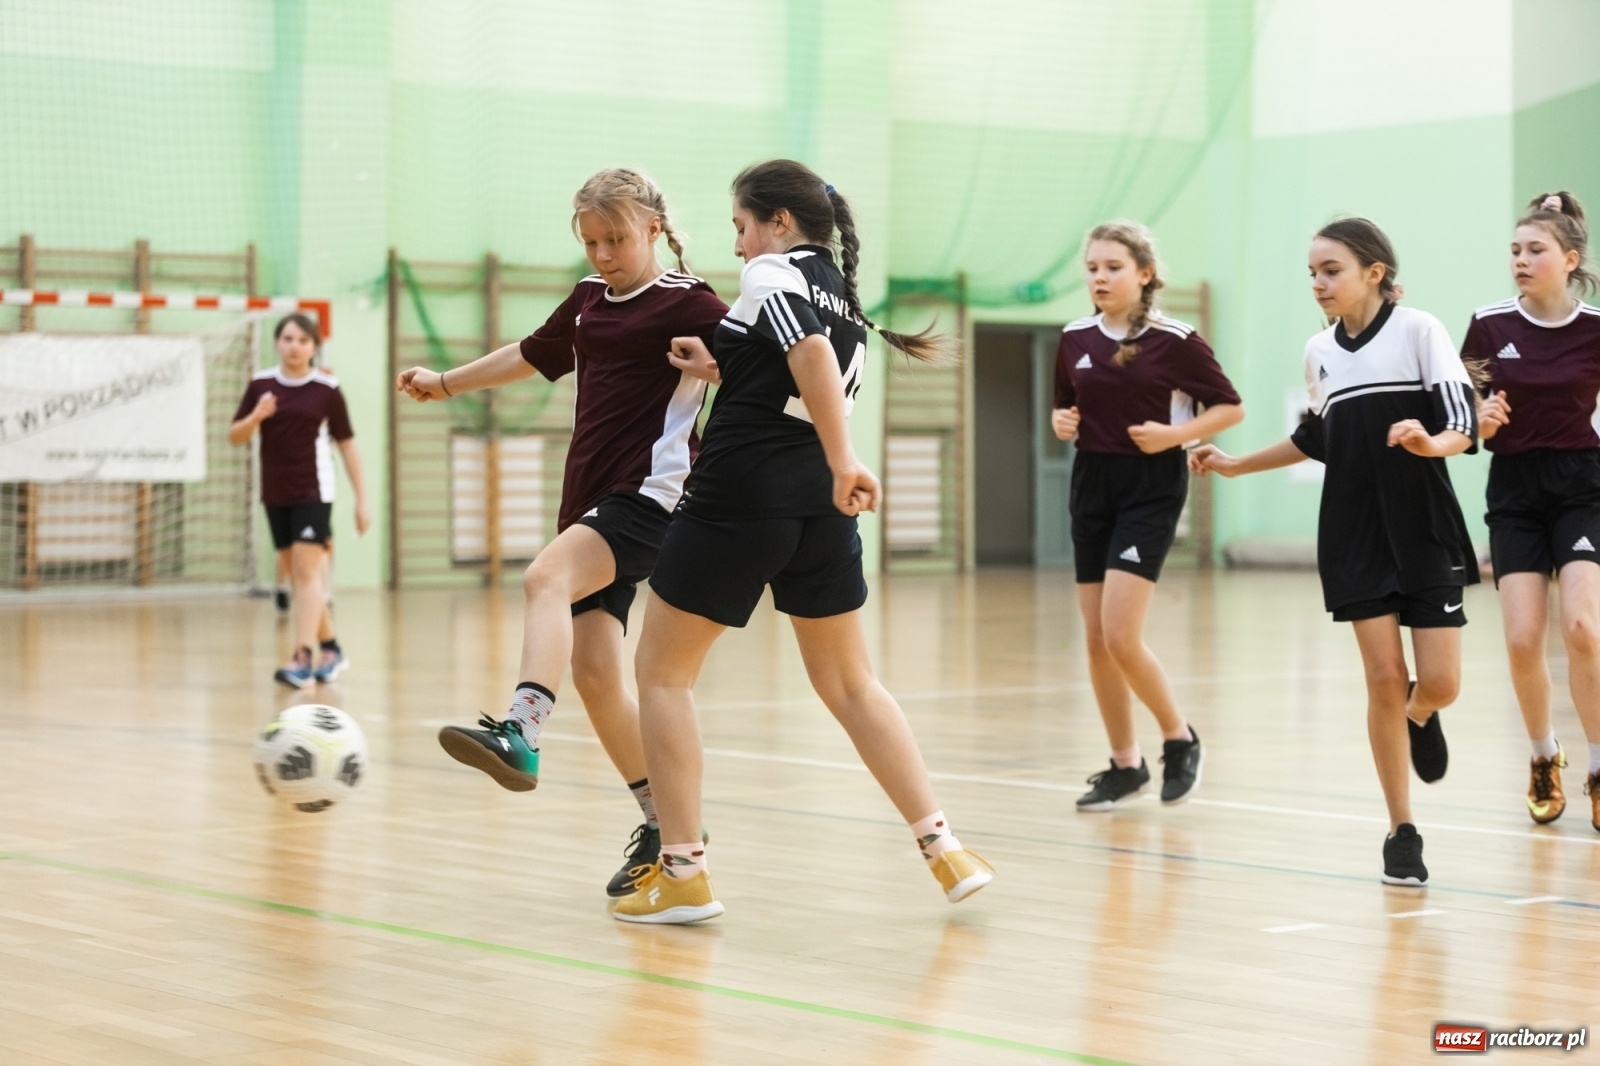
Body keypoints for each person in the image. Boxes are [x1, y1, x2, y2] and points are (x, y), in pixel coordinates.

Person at [613, 159, 993, 925]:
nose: (739, 246)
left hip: (742, 492)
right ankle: (945, 847)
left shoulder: (771, 278)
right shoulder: (841, 296)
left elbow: (807, 360)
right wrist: (721, 367)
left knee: (661, 675)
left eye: (742, 227)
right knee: (853, 684)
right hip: (819, 509)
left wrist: (847, 456)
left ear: (779, 222)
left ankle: (683, 872)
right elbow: (796, 375)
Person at [397, 168, 728, 896]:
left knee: (544, 577)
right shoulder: (586, 303)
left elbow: (772, 370)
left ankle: (520, 733)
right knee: (598, 674)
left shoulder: (691, 301)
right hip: (590, 500)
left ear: (652, 229)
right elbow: (531, 354)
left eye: (615, 238)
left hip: (652, 495)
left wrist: (721, 370)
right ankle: (664, 824)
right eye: (590, 241)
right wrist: (446, 381)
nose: (603, 254)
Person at [1190, 218, 1478, 886]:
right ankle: (1401, 831)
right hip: (1352, 532)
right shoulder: (1318, 351)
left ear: (1374, 273)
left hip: (1423, 524)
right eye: (1312, 274)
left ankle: (1421, 712)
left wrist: (1426, 441)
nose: (1318, 284)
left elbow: (1460, 421)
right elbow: (1316, 438)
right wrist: (1236, 466)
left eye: (1331, 271)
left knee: (1440, 682)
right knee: (1380, 677)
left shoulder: (1419, 330)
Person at [1052, 222, 1244, 811]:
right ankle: (1124, 764)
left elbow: (1230, 408)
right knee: (1094, 639)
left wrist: (1177, 436)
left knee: (1120, 634)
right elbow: (1068, 405)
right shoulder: (1074, 337)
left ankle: (1178, 737)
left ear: (1145, 275)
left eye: (1113, 267)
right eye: (1092, 268)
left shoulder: (1176, 340)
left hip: (1150, 487)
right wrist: (1063, 423)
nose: (1100, 278)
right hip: (1092, 484)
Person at [1463, 190, 1600, 831]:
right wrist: (1479, 415)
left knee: (1582, 631)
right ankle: (1544, 756)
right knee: (1522, 642)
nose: (1520, 259)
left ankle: (1599, 766)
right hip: (1515, 490)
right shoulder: (1488, 325)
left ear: (1569, 259)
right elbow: (1465, 406)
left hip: (1582, 487)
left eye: (1535, 250)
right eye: (1515, 250)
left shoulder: (1596, 329)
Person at [229, 313, 368, 687]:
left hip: (314, 493)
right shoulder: (260, 385)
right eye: (288, 338)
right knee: (297, 575)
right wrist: (256, 416)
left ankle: (302, 656)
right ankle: (331, 647)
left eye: (303, 340)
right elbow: (235, 436)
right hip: (275, 493)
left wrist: (362, 500)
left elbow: (348, 446)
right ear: (277, 342)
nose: (295, 346)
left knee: (307, 574)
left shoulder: (327, 389)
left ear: (313, 346)